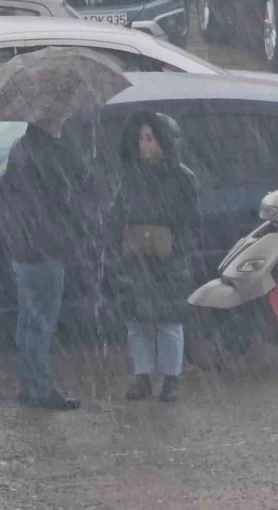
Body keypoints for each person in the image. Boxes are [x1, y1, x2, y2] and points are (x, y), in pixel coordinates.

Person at [2, 117, 99, 410]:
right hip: (47, 246)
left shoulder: (19, 149)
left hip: (22, 245)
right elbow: (73, 188)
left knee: (28, 320)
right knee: (43, 321)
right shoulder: (53, 153)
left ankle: (28, 383)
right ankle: (42, 388)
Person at [109, 111, 199, 402]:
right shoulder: (129, 178)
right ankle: (143, 377)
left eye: (150, 138)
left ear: (163, 142)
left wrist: (174, 248)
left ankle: (171, 378)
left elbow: (191, 222)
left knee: (169, 322)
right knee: (138, 323)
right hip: (136, 261)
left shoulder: (182, 178)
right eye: (140, 139)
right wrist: (123, 242)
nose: (144, 145)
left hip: (169, 262)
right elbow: (117, 215)